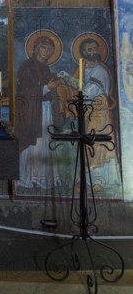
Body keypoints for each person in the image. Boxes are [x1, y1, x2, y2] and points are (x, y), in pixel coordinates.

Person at [57, 36, 119, 190]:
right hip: (88, 113)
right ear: (83, 52)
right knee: (86, 144)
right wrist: (67, 80)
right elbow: (82, 88)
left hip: (99, 113)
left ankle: (99, 181)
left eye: (95, 48)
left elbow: (86, 93)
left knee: (97, 145)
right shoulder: (84, 69)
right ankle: (87, 181)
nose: (93, 52)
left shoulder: (100, 71)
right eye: (89, 49)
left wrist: (70, 84)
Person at [15, 34, 63, 190]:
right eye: (43, 47)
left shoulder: (46, 68)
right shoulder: (27, 67)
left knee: (45, 144)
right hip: (31, 112)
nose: (46, 52)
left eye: (50, 49)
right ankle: (30, 179)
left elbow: (47, 89)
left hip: (44, 111)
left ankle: (43, 179)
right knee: (35, 145)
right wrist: (49, 87)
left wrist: (54, 90)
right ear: (35, 48)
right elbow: (25, 92)